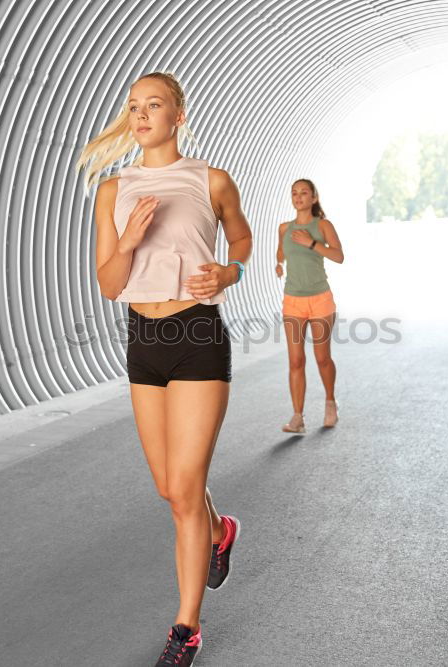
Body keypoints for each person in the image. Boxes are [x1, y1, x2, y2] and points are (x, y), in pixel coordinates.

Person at [76, 71, 252, 666]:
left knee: (183, 489)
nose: (142, 114)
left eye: (154, 105)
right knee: (171, 491)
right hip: (142, 338)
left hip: (198, 336)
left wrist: (230, 273)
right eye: (133, 106)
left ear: (179, 116)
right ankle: (220, 529)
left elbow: (242, 244)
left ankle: (186, 628)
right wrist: (126, 241)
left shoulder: (212, 179)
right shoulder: (112, 190)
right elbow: (108, 284)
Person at [275, 179, 345, 433]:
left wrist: (312, 244)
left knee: (322, 357)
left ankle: (330, 402)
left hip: (320, 299)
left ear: (314, 198)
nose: (299, 197)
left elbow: (339, 256)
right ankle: (297, 417)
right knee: (295, 360)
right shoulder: (284, 228)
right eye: (294, 193)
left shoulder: (322, 225)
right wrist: (279, 264)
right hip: (293, 300)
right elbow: (280, 253)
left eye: (304, 193)